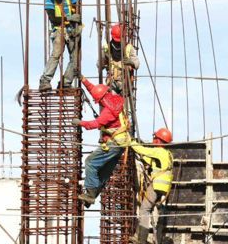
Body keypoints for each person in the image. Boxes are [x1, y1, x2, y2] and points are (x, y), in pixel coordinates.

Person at [73, 76, 131, 206]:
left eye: (98, 101)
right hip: (121, 144)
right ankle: (92, 195)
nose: (98, 103)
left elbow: (95, 124)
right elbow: (96, 90)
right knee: (104, 172)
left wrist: (80, 123)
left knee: (90, 162)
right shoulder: (116, 99)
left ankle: (90, 194)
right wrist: (83, 80)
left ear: (102, 99)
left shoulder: (108, 112)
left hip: (114, 143)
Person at [129, 128, 174, 244]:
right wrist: (142, 158)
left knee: (145, 209)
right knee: (158, 212)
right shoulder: (168, 154)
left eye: (155, 138)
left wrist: (131, 141)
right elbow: (151, 160)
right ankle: (153, 238)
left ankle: (141, 239)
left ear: (159, 140)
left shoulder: (158, 151)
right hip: (164, 189)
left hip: (157, 184)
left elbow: (142, 150)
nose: (153, 140)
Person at [40, 0, 82, 91]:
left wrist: (77, 23)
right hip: (58, 30)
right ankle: (45, 81)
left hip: (72, 30)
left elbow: (78, 11)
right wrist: (69, 18)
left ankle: (66, 82)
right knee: (56, 54)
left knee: (76, 58)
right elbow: (53, 19)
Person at [100, 23, 139, 94]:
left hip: (125, 84)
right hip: (112, 83)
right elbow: (99, 65)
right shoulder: (107, 48)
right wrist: (104, 59)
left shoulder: (129, 48)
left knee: (122, 102)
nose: (117, 43)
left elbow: (137, 64)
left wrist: (131, 62)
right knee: (112, 101)